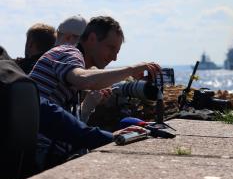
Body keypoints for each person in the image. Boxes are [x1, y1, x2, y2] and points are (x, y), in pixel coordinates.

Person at [29, 16, 161, 170]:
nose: (114, 57)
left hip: (41, 151)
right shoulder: (68, 51)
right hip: (35, 154)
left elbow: (72, 127)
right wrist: (131, 70)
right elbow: (84, 79)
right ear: (91, 39)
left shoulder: (73, 69)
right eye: (111, 48)